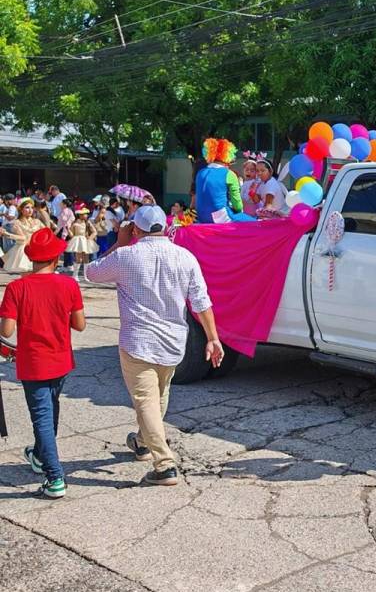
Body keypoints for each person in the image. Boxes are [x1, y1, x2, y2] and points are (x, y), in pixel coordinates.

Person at [86, 205, 224, 486]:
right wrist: (213, 337)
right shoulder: (185, 257)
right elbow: (201, 302)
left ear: (135, 229)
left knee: (146, 400)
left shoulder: (126, 255)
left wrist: (119, 242)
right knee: (159, 395)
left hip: (138, 341)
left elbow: (91, 273)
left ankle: (164, 464)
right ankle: (142, 441)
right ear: (166, 227)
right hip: (174, 341)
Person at [0, 228, 86, 499]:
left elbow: (7, 331)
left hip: (33, 363)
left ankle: (55, 477)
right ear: (56, 258)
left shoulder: (16, 288)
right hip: (61, 360)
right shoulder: (69, 285)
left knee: (42, 419)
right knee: (50, 411)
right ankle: (38, 455)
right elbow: (80, 325)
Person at [194, 137, 254, 223]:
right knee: (255, 223)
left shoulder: (200, 173)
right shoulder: (229, 174)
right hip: (220, 217)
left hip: (201, 217)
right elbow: (238, 205)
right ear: (227, 156)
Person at [1, 199, 45, 273]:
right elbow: (22, 238)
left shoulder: (37, 221)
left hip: (37, 249)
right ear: (21, 209)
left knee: (37, 274)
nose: (30, 210)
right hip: (24, 250)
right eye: (27, 207)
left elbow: (46, 233)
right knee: (26, 273)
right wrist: (6, 234)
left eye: (32, 207)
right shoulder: (17, 223)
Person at [66, 208, 99, 280]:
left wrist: (90, 238)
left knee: (86, 258)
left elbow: (94, 231)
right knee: (79, 258)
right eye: (84, 214)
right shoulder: (75, 223)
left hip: (85, 241)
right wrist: (68, 230)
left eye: (86, 214)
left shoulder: (87, 223)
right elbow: (72, 235)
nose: (86, 215)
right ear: (80, 215)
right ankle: (75, 275)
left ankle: (85, 276)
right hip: (78, 241)